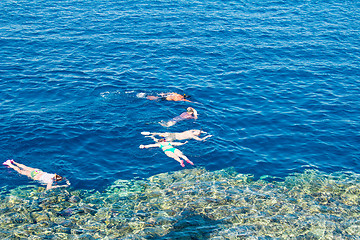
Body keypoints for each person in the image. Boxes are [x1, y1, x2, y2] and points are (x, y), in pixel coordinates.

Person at [3, 159, 70, 191]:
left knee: (25, 167)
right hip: (35, 176)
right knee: (20, 171)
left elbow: (64, 178)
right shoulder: (50, 181)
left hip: (38, 171)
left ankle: (13, 161)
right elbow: (48, 189)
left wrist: (67, 181)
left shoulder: (54, 175)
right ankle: (9, 164)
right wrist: (62, 186)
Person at [142, 129, 212, 142]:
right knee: (160, 141)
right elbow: (201, 140)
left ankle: (150, 134)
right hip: (173, 138)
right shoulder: (193, 137)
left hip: (172, 134)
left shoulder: (190, 131)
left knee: (160, 134)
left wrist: (203, 131)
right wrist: (207, 136)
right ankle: (151, 137)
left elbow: (195, 129)